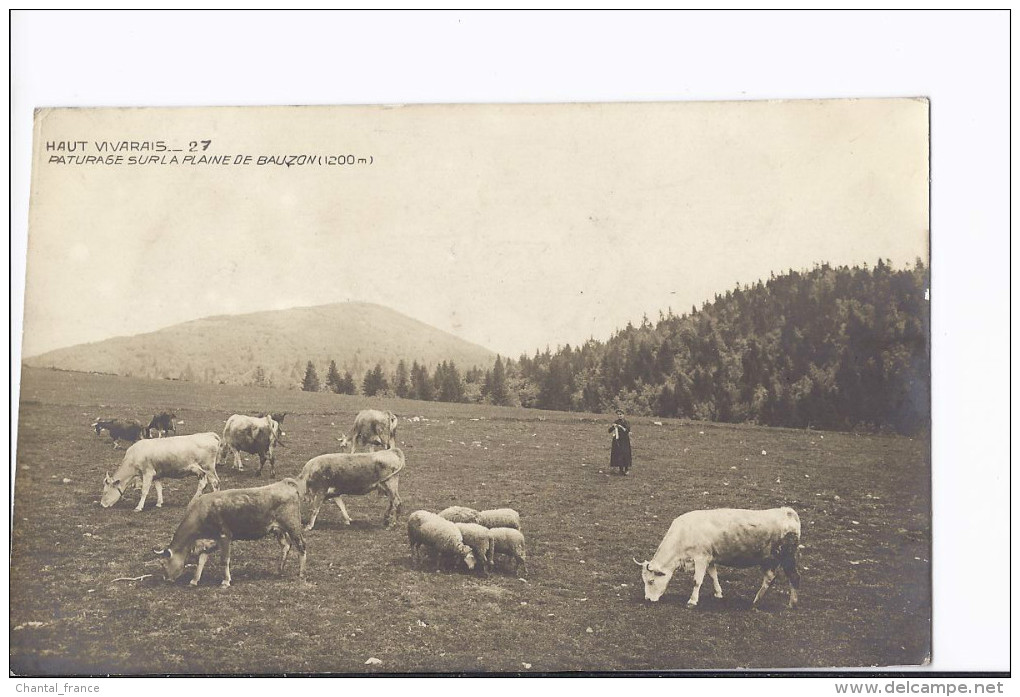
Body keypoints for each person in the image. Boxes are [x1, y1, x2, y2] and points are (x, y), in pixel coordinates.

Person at [608, 409, 632, 475]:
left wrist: (620, 427)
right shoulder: (616, 422)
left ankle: (626, 469)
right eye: (618, 414)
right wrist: (613, 426)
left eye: (621, 414)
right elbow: (609, 431)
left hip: (625, 440)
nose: (619, 416)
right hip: (617, 440)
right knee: (619, 454)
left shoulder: (626, 422)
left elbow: (627, 430)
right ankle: (620, 469)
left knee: (625, 453)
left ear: (623, 415)